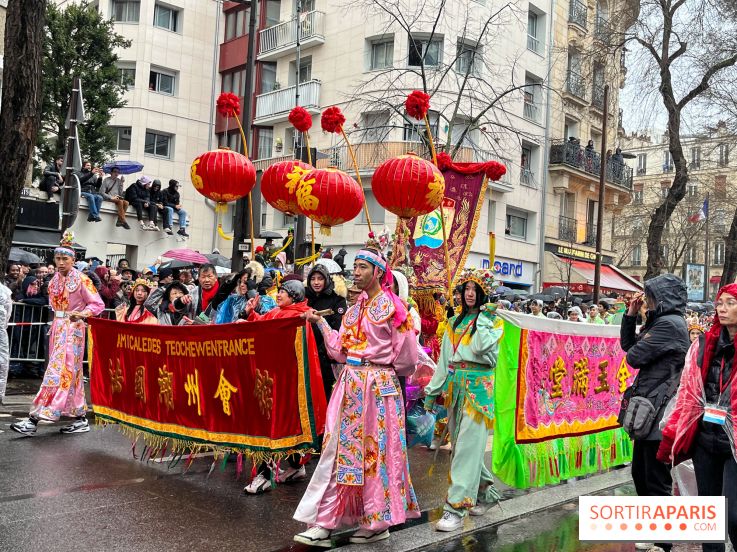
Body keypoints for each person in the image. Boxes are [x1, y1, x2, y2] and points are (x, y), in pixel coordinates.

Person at [294, 244, 419, 547]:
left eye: (363, 267)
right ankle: (326, 520)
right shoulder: (354, 311)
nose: (357, 272)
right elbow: (339, 350)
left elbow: (407, 359)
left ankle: (377, 521)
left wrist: (381, 370)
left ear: (378, 272)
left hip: (378, 386)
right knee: (337, 452)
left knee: (375, 455)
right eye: (355, 267)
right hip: (351, 384)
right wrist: (321, 323)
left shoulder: (394, 308)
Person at [657, 283, 737, 552]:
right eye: (720, 302)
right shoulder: (704, 345)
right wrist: (672, 433)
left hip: (734, 444)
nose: (722, 308)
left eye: (730, 303)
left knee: (734, 516)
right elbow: (687, 391)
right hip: (705, 437)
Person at [424, 269, 503, 531]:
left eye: (475, 289)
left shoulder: (493, 322)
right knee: (462, 449)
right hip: (456, 389)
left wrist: (484, 318)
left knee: (467, 450)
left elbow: (482, 348)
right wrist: (433, 392)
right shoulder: (454, 322)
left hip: (479, 392)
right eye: (466, 289)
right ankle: (487, 493)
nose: (469, 294)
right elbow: (444, 361)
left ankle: (455, 508)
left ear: (484, 293)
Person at [620, 275, 689, 552]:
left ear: (663, 298)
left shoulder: (670, 325)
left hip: (661, 411)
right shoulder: (662, 322)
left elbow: (633, 357)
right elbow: (630, 346)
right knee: (641, 473)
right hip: (651, 408)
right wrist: (630, 316)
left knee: (656, 479)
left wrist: (644, 324)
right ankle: (653, 531)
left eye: (649, 297)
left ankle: (663, 543)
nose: (646, 301)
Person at [11, 232, 105, 435]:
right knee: (68, 373)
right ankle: (80, 417)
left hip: (74, 330)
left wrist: (81, 314)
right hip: (57, 328)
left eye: (65, 259)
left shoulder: (82, 279)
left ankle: (34, 418)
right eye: (58, 258)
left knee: (59, 371)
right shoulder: (53, 281)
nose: (61, 262)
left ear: (74, 259)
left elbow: (98, 304)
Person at [240, 279, 317, 493]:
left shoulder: (299, 315)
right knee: (281, 423)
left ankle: (265, 474)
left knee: (277, 425)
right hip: (271, 376)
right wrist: (250, 314)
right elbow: (263, 325)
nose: (279, 294)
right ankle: (295, 466)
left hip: (286, 379)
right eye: (279, 290)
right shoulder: (277, 312)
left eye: (284, 291)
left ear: (295, 296)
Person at [305, 264, 348, 401]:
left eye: (320, 279)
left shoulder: (337, 299)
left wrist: (322, 350)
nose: (316, 282)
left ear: (327, 280)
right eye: (313, 279)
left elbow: (338, 327)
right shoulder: (305, 298)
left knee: (325, 394)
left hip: (325, 357)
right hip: (305, 352)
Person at [0, 282, 12, 404]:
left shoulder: (5, 291)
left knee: (2, 362)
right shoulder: (5, 291)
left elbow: (8, 312)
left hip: (1, 332)